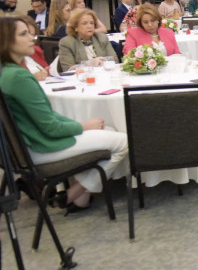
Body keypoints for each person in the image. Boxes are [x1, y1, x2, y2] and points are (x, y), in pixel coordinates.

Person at [0, 17, 128, 214]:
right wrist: (84, 126)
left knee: (109, 129)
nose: (32, 38)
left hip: (25, 147)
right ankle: (73, 193)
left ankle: (81, 197)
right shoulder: (18, 77)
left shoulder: (7, 72)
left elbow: (47, 117)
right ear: (7, 41)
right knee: (124, 141)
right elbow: (50, 127)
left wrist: (83, 124)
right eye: (24, 34)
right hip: (40, 147)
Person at [19, 15, 50, 81]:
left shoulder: (36, 50)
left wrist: (49, 72)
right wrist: (33, 78)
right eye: (25, 34)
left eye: (33, 35)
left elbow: (46, 70)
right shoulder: (6, 60)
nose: (32, 38)